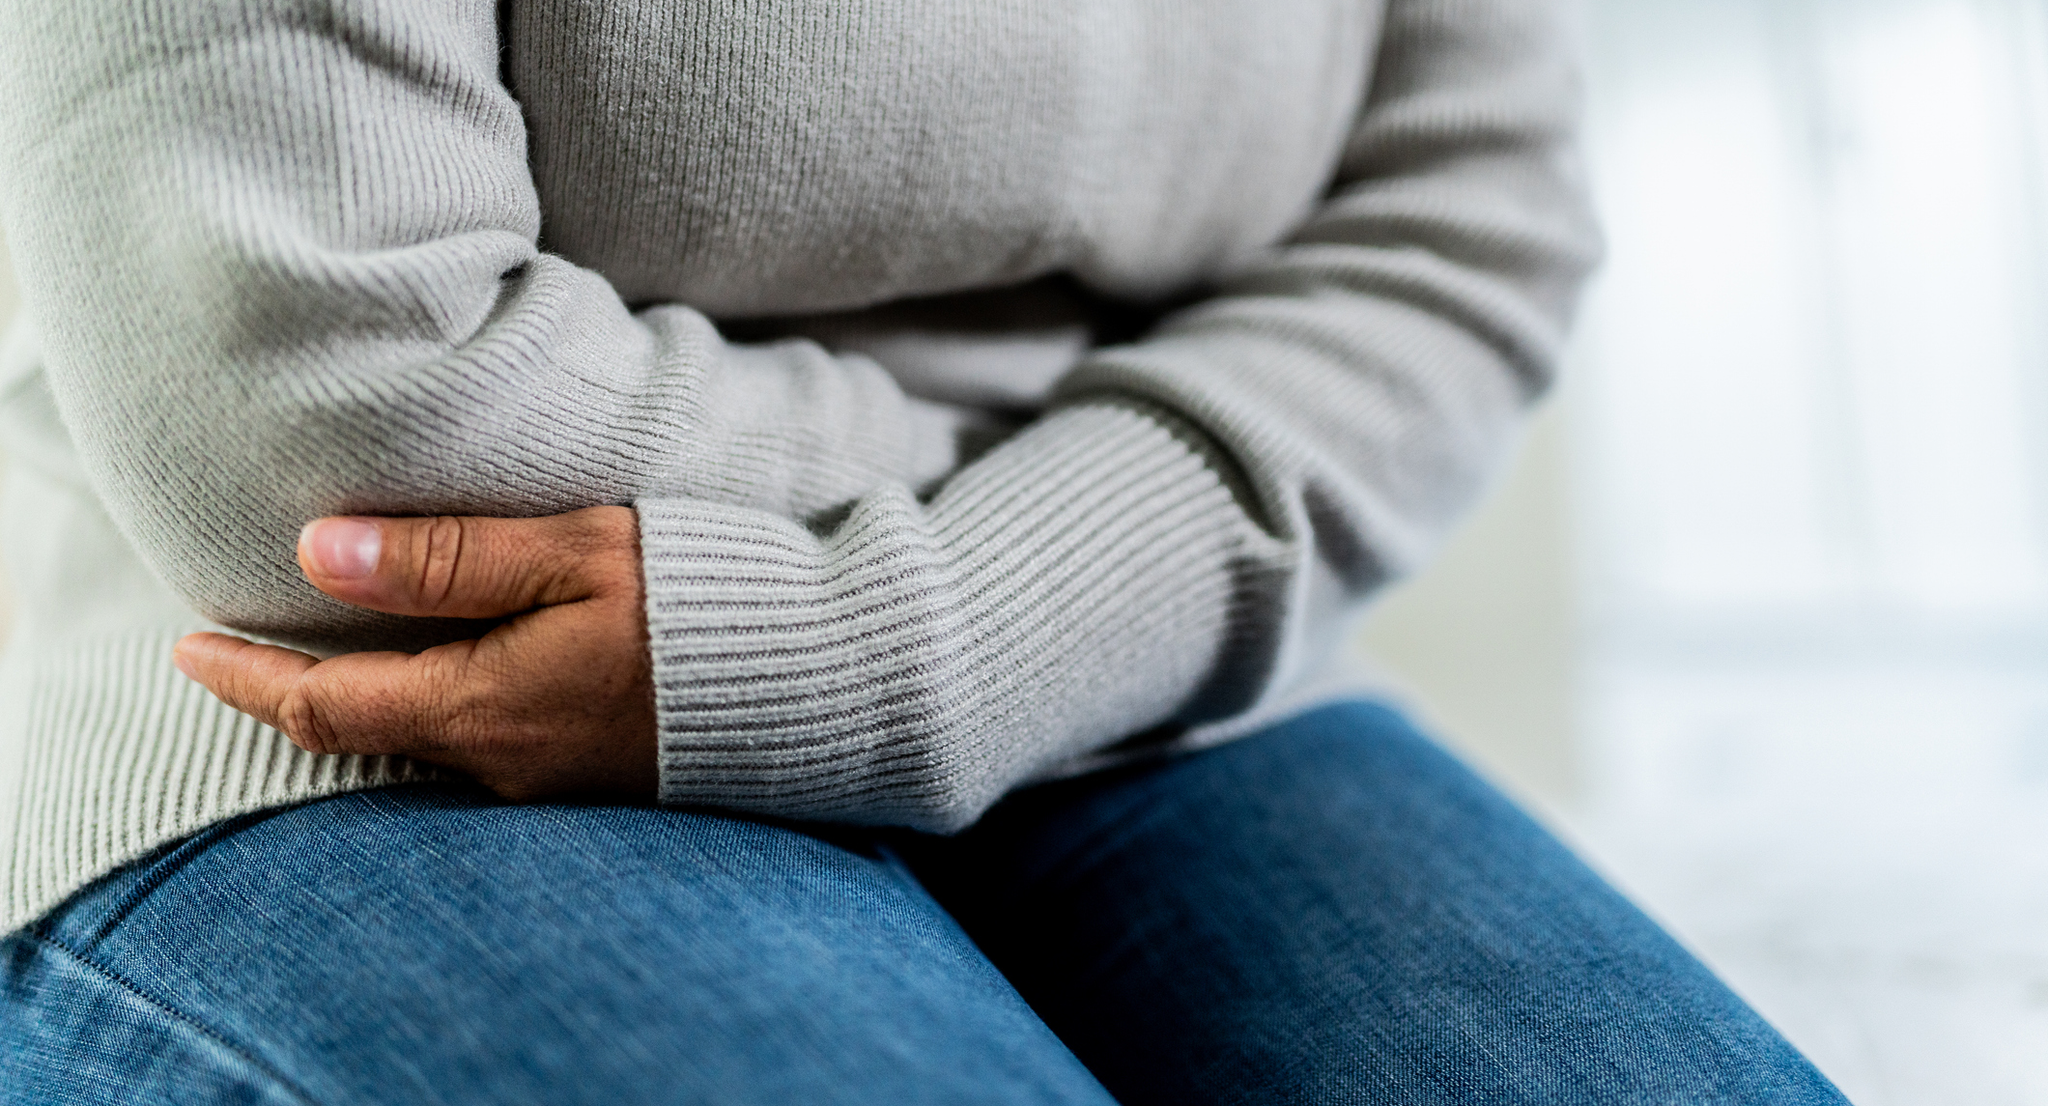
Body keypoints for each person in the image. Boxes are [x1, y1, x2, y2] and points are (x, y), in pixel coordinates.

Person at [0, 0, 1849, 1101]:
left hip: (1140, 681)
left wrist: (952, 623)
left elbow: (1473, 213)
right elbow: (326, 400)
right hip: (387, 721)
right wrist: (1101, 518)